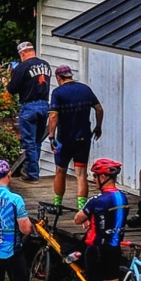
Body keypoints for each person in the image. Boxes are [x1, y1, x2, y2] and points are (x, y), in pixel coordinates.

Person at [74, 157, 129, 281]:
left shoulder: (97, 200)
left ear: (104, 176)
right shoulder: (123, 198)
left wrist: (89, 220)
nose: (94, 179)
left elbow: (77, 218)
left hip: (96, 250)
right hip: (114, 249)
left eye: (96, 176)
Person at [48, 65, 104, 209]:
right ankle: (81, 207)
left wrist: (51, 136)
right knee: (81, 173)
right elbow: (99, 109)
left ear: (58, 78)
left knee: (60, 170)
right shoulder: (85, 89)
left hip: (64, 139)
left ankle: (57, 204)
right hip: (83, 138)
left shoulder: (58, 93)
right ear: (70, 75)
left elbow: (53, 116)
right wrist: (98, 126)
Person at [6, 41, 52, 182]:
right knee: (37, 141)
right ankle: (33, 170)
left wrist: (11, 77)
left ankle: (32, 174)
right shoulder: (45, 65)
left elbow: (12, 89)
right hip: (44, 105)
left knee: (29, 142)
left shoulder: (22, 67)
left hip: (29, 106)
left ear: (22, 53)